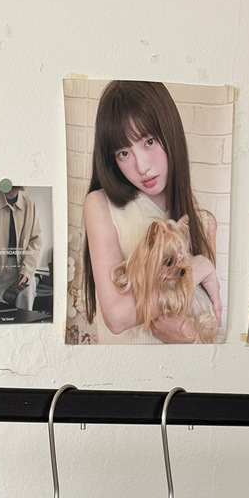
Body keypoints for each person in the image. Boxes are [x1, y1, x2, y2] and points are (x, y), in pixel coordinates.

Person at [80, 80, 222, 344]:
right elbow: (117, 316)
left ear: (170, 133)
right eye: (124, 153)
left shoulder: (203, 222)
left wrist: (185, 334)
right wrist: (199, 266)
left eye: (149, 141)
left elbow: (205, 331)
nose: (142, 167)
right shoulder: (101, 205)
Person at [0, 185, 42, 309]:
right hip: (0, 270)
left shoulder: (29, 205)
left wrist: (27, 270)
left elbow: (35, 241)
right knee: (0, 313)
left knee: (25, 315)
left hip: (25, 269)